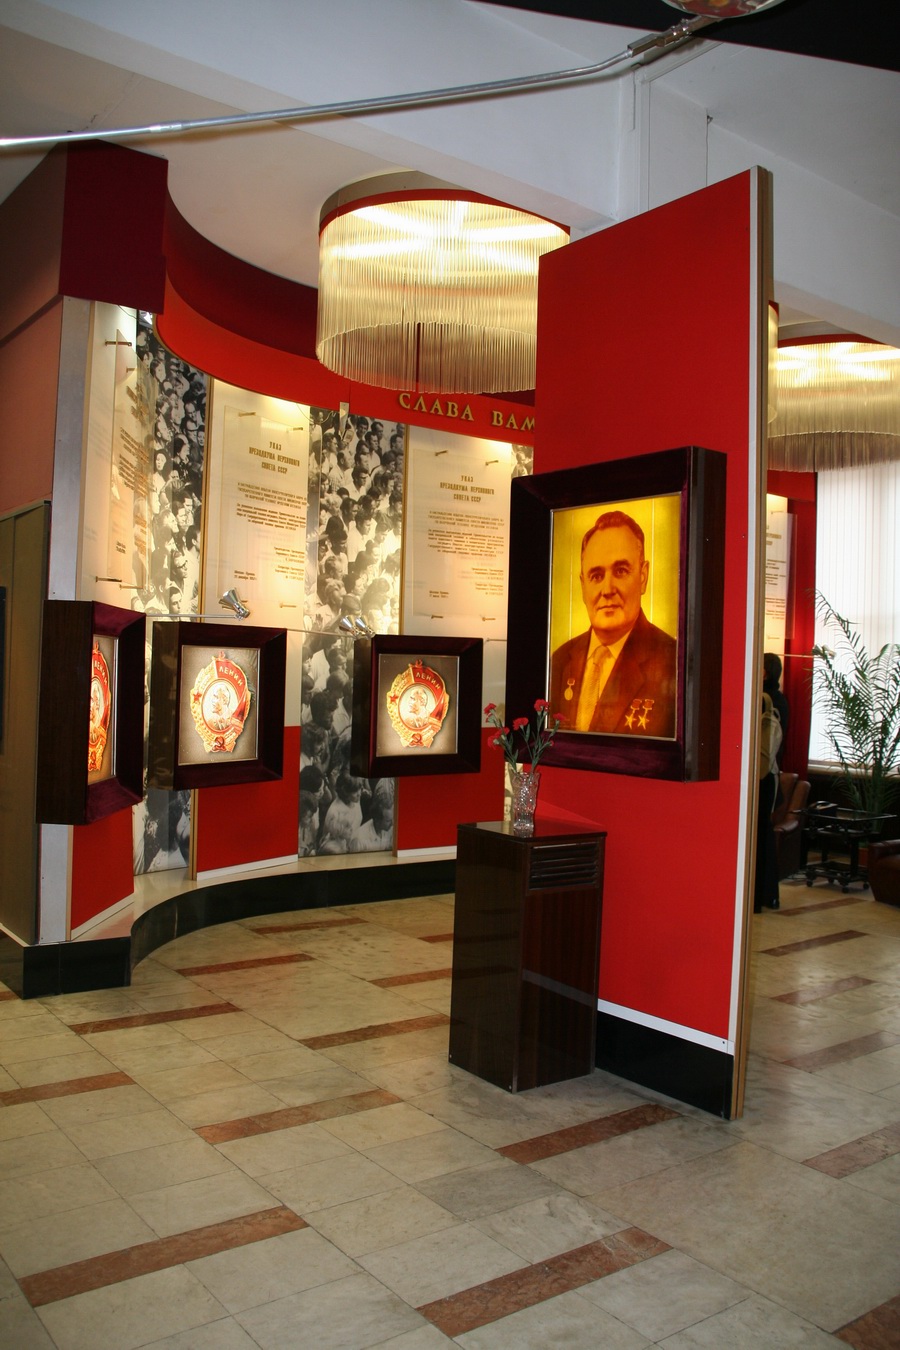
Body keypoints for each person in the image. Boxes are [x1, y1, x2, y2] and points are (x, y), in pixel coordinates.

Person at [549, 510, 677, 737]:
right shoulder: (559, 661)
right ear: (583, 586)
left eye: (620, 571)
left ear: (643, 576)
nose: (607, 590)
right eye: (596, 576)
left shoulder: (673, 663)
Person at [755, 691, 783, 911]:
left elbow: (764, 762)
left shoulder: (768, 724)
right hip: (759, 784)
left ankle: (764, 895)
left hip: (763, 785)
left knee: (763, 837)